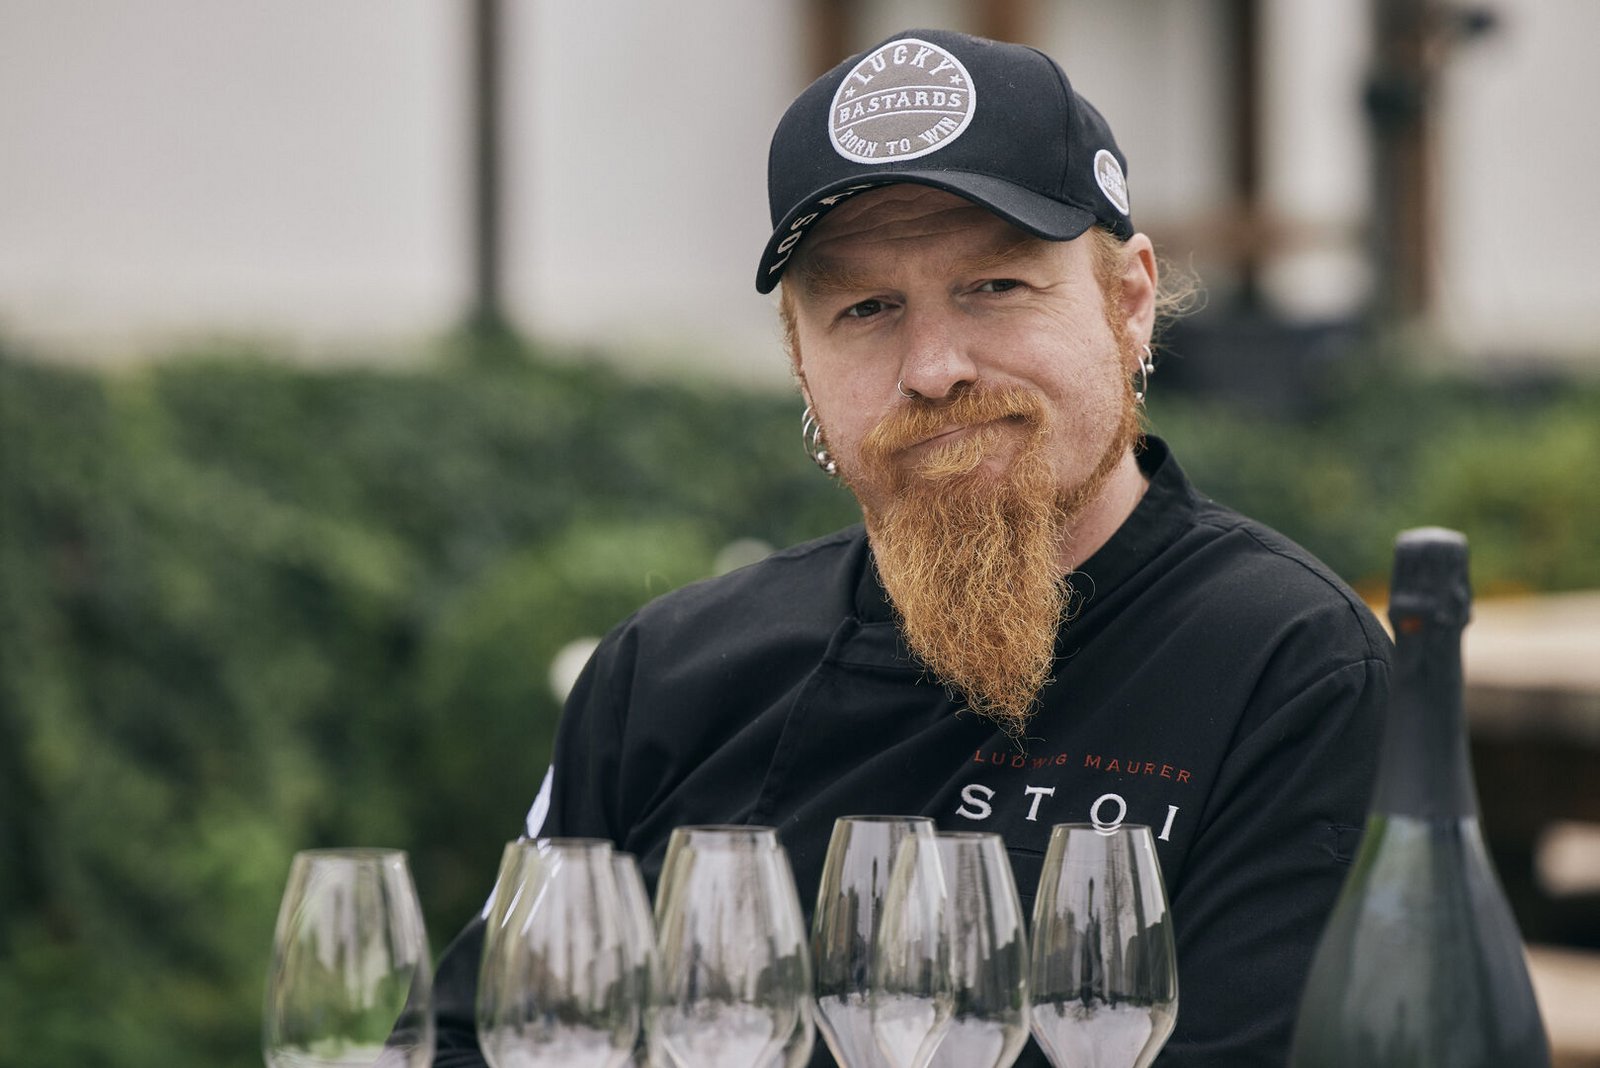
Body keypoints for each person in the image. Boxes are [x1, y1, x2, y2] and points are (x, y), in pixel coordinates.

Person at [432, 27, 1390, 1068]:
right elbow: (471, 1037)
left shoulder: (1288, 669)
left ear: (1127, 304)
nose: (933, 368)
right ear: (803, 365)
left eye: (995, 286)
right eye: (866, 308)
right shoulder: (663, 674)